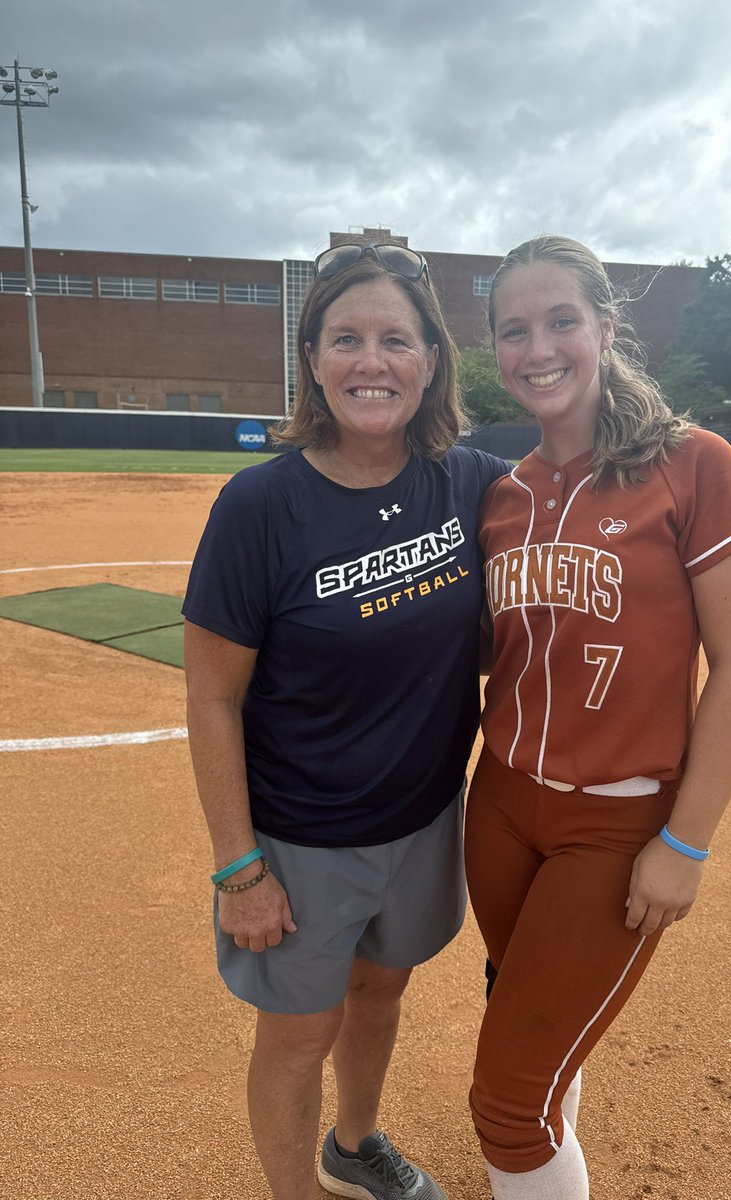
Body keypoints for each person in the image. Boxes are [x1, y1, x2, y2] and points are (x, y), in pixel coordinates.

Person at [182, 241, 508, 1200]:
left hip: (423, 820)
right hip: (301, 839)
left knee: (382, 991)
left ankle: (354, 1145)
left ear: (432, 360)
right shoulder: (260, 506)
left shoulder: (472, 484)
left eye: (396, 340)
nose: (374, 362)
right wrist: (240, 867)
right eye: (348, 339)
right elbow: (210, 695)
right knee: (297, 1034)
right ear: (315, 361)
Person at [464, 235, 731, 1199]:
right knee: (526, 1016)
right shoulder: (502, 496)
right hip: (503, 807)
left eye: (561, 320)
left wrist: (685, 844)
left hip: (619, 821)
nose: (539, 347)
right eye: (515, 329)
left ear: (606, 326)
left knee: (508, 1102)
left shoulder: (692, 464)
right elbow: (492, 657)